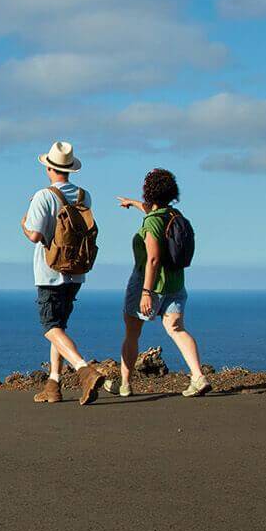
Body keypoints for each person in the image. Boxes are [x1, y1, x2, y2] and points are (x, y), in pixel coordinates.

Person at [113, 168, 210, 397]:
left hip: (148, 285)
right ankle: (198, 376)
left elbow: (153, 259)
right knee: (177, 329)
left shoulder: (152, 223)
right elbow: (152, 210)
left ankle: (125, 384)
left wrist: (146, 292)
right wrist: (133, 203)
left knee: (132, 332)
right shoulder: (175, 216)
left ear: (149, 192)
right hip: (175, 284)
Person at [21, 141, 104, 404]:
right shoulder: (84, 196)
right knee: (60, 326)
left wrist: (24, 222)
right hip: (77, 270)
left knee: (50, 326)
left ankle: (84, 370)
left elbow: (34, 235)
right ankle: (53, 384)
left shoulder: (44, 196)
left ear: (48, 167)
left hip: (49, 271)